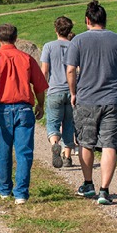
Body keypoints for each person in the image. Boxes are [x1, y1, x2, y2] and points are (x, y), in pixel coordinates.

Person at [65, 1, 117, 205]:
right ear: (104, 20)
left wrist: (73, 92)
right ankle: (104, 190)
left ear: (87, 20)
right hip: (113, 99)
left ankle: (88, 184)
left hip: (86, 98)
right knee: (109, 144)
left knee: (86, 142)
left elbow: (70, 70)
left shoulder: (78, 41)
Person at [0, 23, 48, 205]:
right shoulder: (27, 59)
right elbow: (39, 86)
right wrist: (41, 104)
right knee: (24, 152)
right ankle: (21, 194)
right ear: (16, 38)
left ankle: (4, 189)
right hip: (24, 109)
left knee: (3, 150)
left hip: (2, 110)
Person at [40, 16, 76, 168]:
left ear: (56, 29)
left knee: (53, 123)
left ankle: (55, 143)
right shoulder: (75, 46)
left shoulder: (48, 46)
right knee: (69, 124)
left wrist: (41, 90)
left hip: (55, 90)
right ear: (69, 30)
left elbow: (44, 71)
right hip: (72, 91)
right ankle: (67, 158)